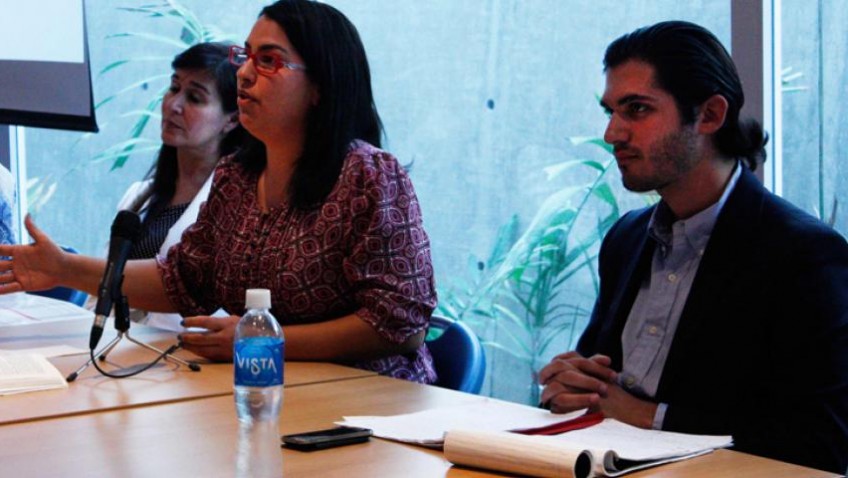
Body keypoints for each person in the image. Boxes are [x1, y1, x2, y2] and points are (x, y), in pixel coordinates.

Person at [0, 0, 437, 384]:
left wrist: (264, 341)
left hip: (369, 404)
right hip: (263, 389)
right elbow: (182, 281)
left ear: (320, 87)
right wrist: (64, 268)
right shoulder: (236, 177)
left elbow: (401, 325)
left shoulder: (368, 176)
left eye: (269, 61)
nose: (244, 74)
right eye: (246, 57)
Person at [538, 21, 848, 473]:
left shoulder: (806, 257)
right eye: (610, 111)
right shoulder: (626, 238)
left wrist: (647, 416)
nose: (612, 134)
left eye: (637, 109)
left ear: (710, 115)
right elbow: (598, 388)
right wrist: (569, 384)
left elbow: (822, 443)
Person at [92, 42, 242, 331]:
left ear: (232, 120)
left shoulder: (237, 204)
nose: (174, 105)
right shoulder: (139, 195)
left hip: (185, 351)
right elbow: (99, 292)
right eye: (174, 88)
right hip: (117, 347)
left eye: (195, 98)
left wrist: (62, 267)